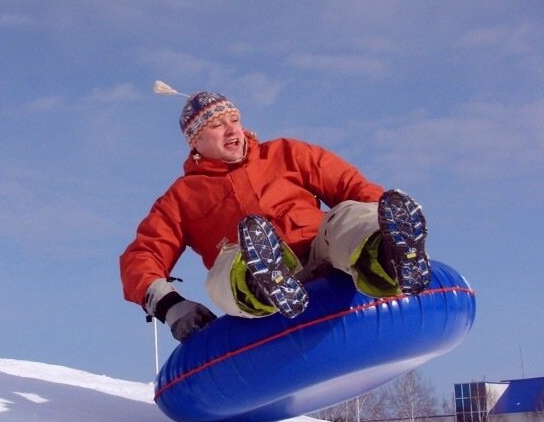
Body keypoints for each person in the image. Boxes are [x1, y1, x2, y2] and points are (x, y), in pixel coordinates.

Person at [119, 85, 430, 342]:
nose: (231, 130)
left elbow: (352, 186)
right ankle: (263, 284)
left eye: (234, 120)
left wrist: (379, 215)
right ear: (196, 141)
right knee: (228, 264)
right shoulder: (181, 197)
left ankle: (388, 253)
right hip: (261, 284)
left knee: (347, 216)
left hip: (324, 255)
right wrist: (172, 306)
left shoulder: (286, 153)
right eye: (216, 125)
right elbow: (142, 256)